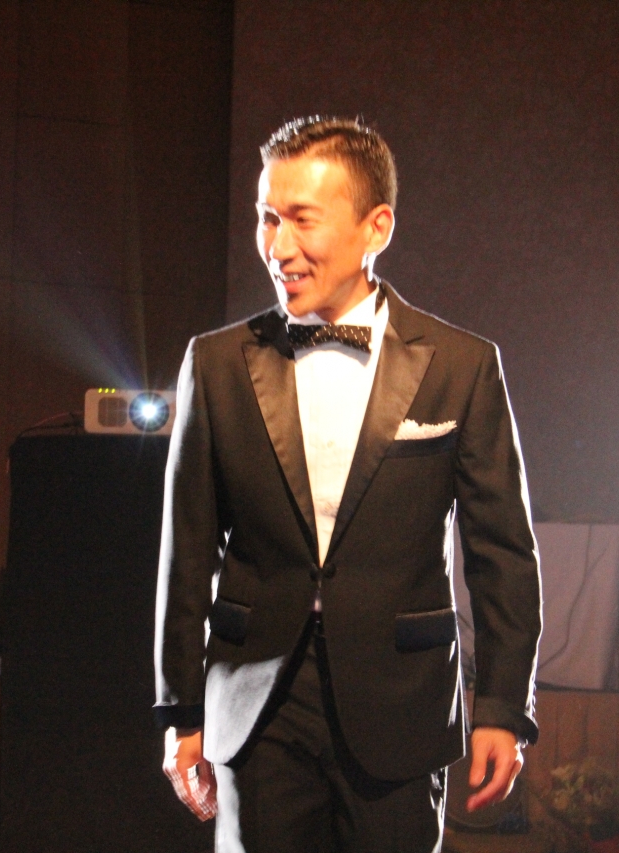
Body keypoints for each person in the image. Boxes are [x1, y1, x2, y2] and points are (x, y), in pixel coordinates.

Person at [154, 116, 542, 852]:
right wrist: (179, 713)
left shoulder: (462, 365)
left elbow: (503, 555)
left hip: (402, 700)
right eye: (267, 218)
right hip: (257, 701)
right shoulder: (215, 363)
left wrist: (501, 706)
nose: (277, 245)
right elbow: (187, 553)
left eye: (301, 219)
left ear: (377, 227)